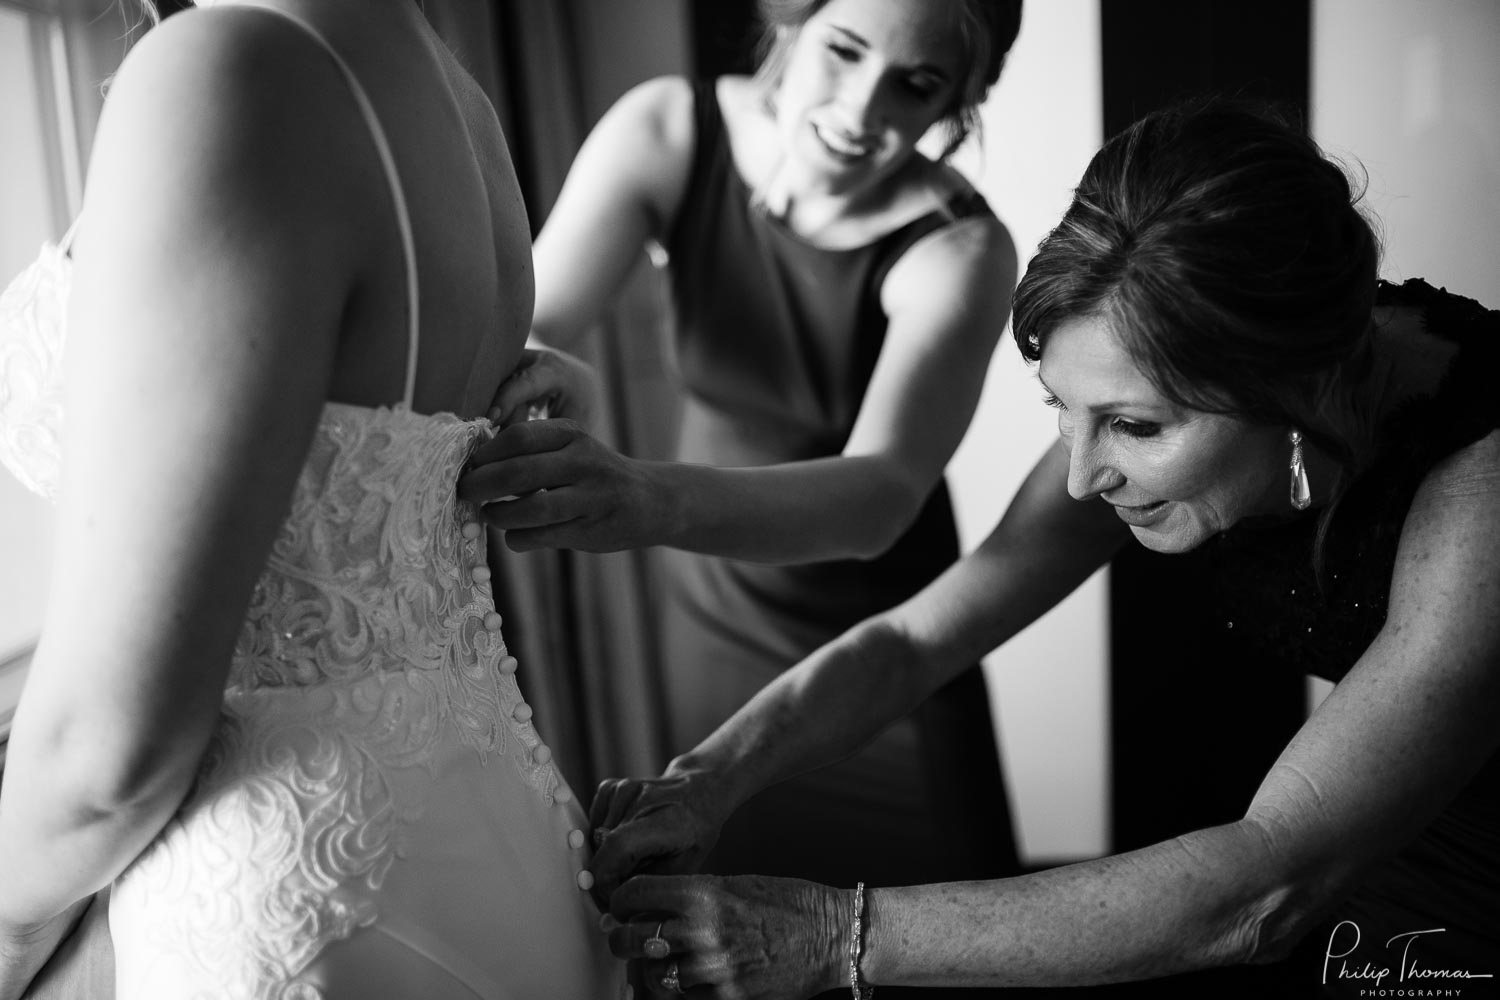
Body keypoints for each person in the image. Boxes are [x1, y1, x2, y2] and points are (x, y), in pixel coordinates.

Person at [583, 97, 1500, 998]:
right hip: (1370, 838)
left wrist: (833, 936)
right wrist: (707, 778)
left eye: (1135, 427)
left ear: (1295, 393)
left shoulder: (1479, 494)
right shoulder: (1171, 358)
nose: (1081, 479)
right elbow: (913, 644)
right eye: (1063, 410)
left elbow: (1261, 889)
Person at [0, 1, 623, 997]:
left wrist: (8, 933)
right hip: (507, 841)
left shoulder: (229, 68)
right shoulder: (447, 91)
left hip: (278, 896)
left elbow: (109, 748)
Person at [456, 0, 1028, 914]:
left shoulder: (960, 247)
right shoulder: (669, 128)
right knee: (730, 919)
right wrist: (564, 376)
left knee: (931, 924)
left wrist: (647, 499)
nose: (864, 110)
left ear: (958, 102)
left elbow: (881, 495)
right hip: (713, 619)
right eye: (844, 51)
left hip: (881, 645)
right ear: (790, 23)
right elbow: (529, 330)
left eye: (916, 86)